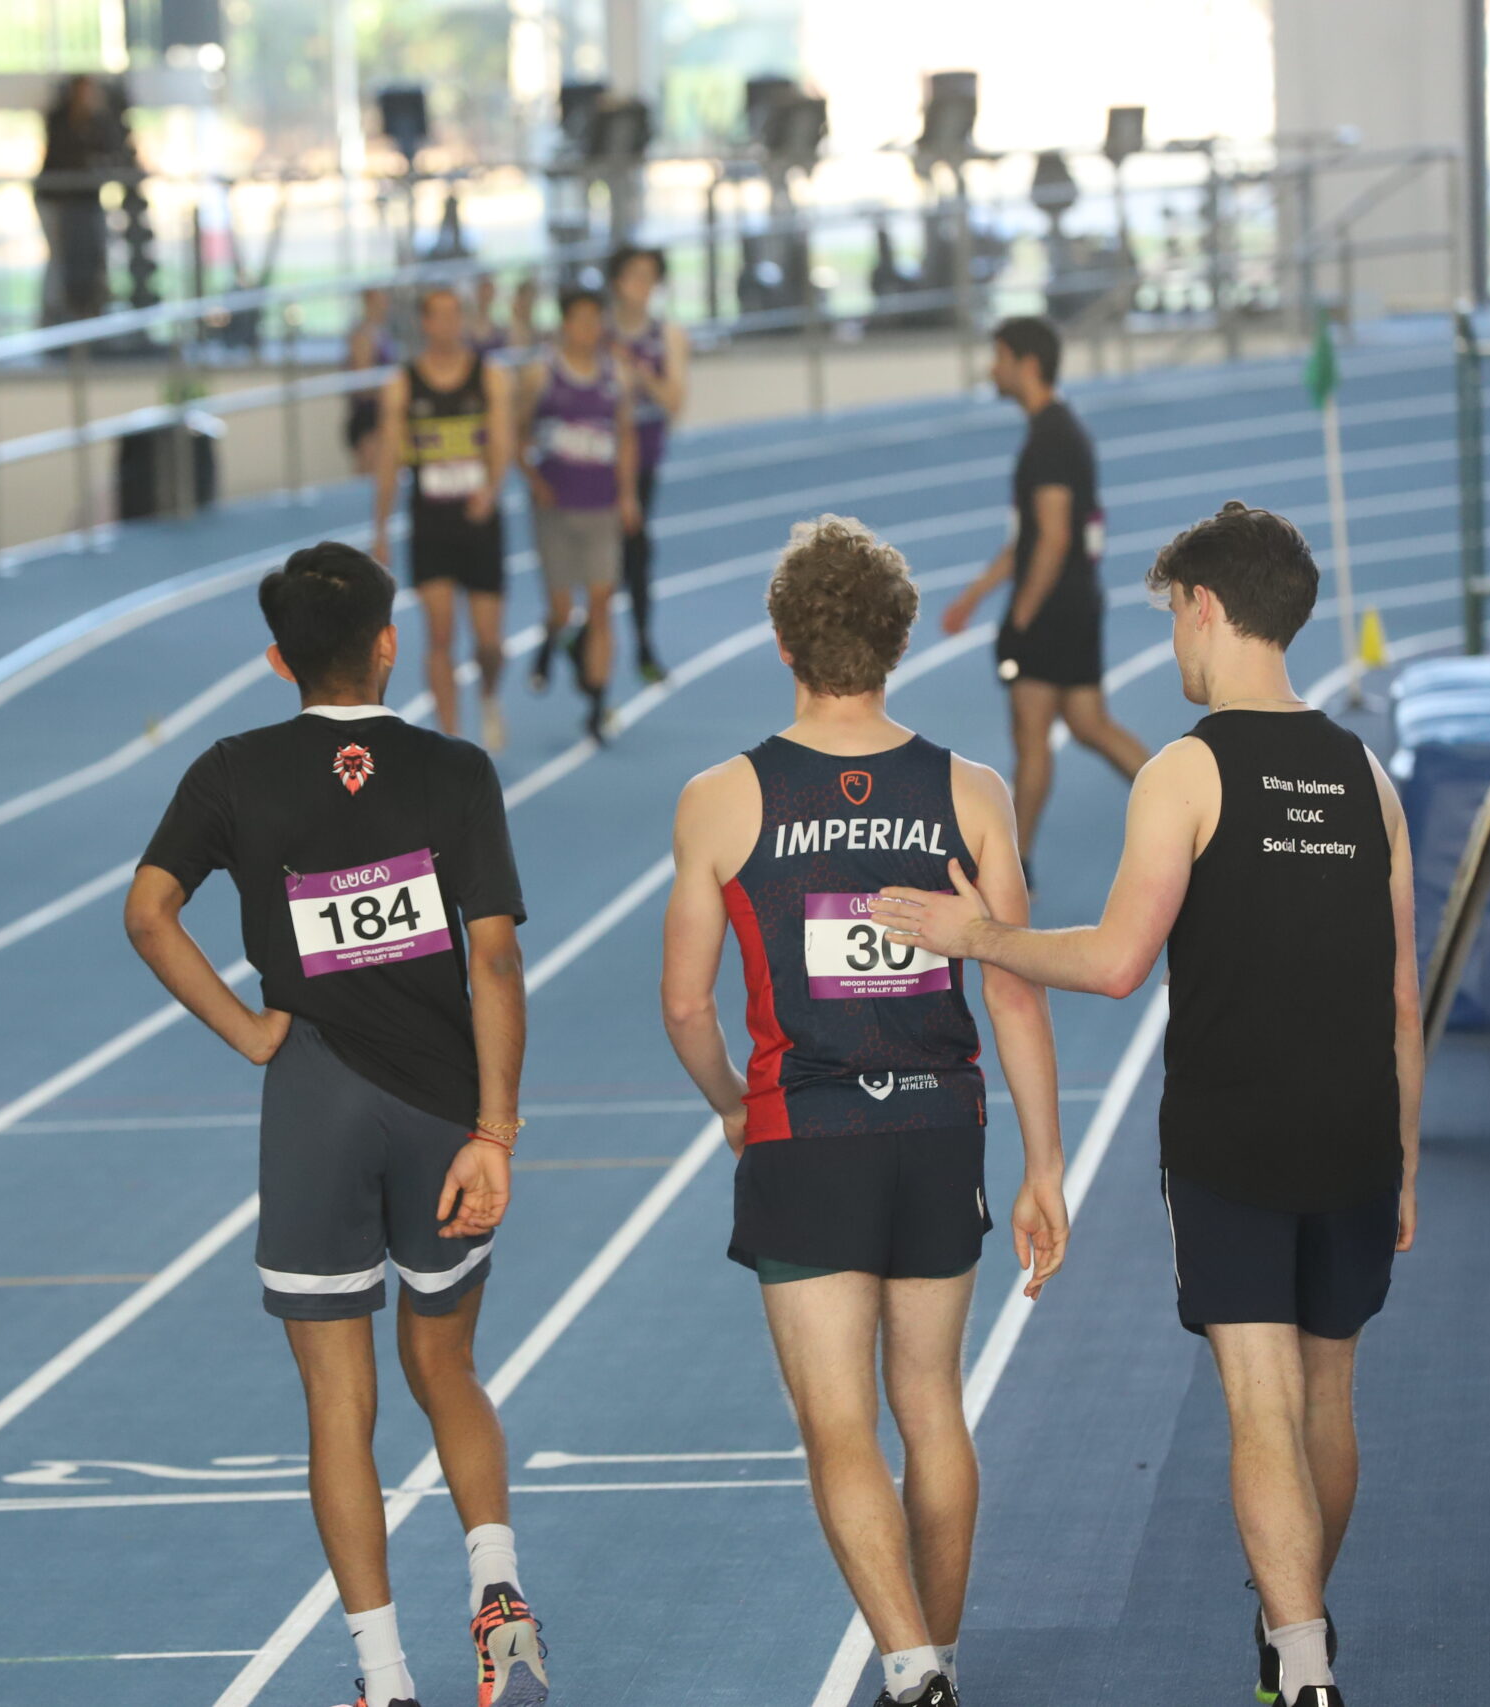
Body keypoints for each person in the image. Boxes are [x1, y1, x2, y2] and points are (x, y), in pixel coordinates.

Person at [877, 501, 1420, 1707]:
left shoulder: (1185, 770)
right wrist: (1408, 1159)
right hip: (1354, 1133)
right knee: (1326, 1399)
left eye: (1175, 613)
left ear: (1206, 608)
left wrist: (981, 936)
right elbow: (1399, 995)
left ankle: (1305, 1668)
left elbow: (1118, 962)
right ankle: (1295, 1643)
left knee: (1260, 1402)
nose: (1173, 640)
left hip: (1233, 1136)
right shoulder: (1367, 776)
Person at [126, 543, 546, 1707]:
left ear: (277, 661)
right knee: (446, 1365)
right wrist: (495, 1132)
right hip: (441, 1106)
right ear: (389, 642)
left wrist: (246, 1031)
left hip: (312, 1096)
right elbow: (495, 961)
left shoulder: (231, 770)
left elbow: (149, 914)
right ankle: (499, 1598)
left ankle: (383, 1677)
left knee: (337, 1405)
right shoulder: (455, 770)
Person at [661, 515, 1067, 1707]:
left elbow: (684, 1005)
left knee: (837, 1425)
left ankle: (908, 1666)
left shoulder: (720, 799)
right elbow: (1018, 991)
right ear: (898, 640)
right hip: (941, 1128)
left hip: (803, 1134)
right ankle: (936, 1658)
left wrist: (732, 1107)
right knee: (931, 1407)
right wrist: (1045, 1163)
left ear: (782, 639)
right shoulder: (971, 791)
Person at [939, 316, 1147, 871]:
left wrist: (1021, 618)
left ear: (1026, 364)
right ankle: (1188, 811)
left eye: (999, 358)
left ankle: (1015, 863)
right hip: (1078, 602)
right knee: (1088, 724)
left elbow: (1052, 539)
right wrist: (974, 596)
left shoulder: (1051, 439)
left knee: (1031, 738)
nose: (992, 370)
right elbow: (1029, 540)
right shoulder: (1057, 431)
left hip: (1052, 611)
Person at [372, 284, 515, 751]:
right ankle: (450, 741)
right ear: (425, 323)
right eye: (441, 315)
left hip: (479, 522)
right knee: (439, 634)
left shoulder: (489, 377)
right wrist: (380, 528)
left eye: (457, 314)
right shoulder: (402, 385)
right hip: (430, 523)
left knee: (489, 642)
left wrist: (491, 491)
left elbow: (502, 443)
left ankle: (489, 695)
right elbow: (389, 460)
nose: (450, 324)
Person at [516, 288, 640, 743]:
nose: (588, 330)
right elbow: (514, 431)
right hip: (556, 508)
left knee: (602, 602)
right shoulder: (540, 374)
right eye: (580, 320)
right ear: (565, 324)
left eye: (595, 320)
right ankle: (553, 637)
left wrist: (628, 496)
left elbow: (626, 437)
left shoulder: (616, 375)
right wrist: (533, 478)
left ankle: (596, 705)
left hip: (601, 505)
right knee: (562, 608)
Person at [608, 246, 689, 684]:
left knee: (633, 549)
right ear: (616, 282)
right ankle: (574, 634)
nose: (642, 285)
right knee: (610, 553)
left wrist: (637, 372)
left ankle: (640, 644)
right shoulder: (594, 331)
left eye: (650, 277)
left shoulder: (666, 335)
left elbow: (673, 401)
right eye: (633, 275)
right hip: (596, 457)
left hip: (644, 454)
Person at [34, 74, 127, 325]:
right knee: (60, 260)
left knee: (92, 257)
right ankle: (55, 316)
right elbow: (67, 157)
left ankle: (89, 311)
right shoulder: (60, 120)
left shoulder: (98, 123)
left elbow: (111, 151)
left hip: (85, 203)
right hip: (59, 201)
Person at [345, 288, 398, 477]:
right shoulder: (363, 336)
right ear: (369, 303)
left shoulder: (383, 333)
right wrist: (392, 391)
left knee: (386, 469)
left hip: (383, 410)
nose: (385, 306)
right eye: (381, 301)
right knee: (370, 472)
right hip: (369, 415)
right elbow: (363, 384)